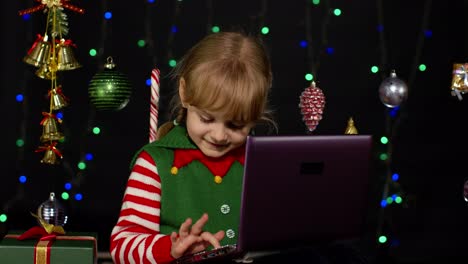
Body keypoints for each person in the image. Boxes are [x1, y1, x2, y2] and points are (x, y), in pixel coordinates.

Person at [109, 30, 277, 264]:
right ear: (185, 92)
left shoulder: (263, 163)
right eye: (207, 119)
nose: (219, 135)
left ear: (255, 115)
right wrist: (172, 247)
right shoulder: (154, 164)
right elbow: (122, 247)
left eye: (236, 124)